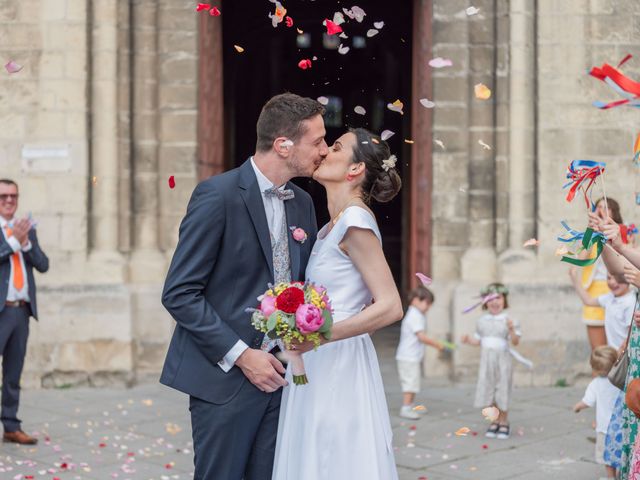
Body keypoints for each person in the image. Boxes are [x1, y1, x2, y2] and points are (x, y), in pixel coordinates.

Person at [160, 93, 327, 479]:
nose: (323, 149)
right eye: (316, 140)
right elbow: (179, 293)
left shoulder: (302, 202)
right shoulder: (216, 195)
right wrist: (242, 355)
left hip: (283, 378)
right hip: (225, 381)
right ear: (284, 145)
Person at [272, 128, 403, 479]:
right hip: (317, 356)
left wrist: (320, 336)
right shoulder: (332, 226)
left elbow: (391, 305)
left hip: (337, 358)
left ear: (355, 169)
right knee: (315, 451)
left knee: (334, 454)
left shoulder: (356, 221)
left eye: (336, 147)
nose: (325, 151)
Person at [0, 179, 49, 445]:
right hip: (0, 311)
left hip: (21, 312)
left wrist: (27, 244)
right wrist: (14, 244)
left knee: (13, 373)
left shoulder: (26, 230)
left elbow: (44, 265)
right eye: (3, 196)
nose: (9, 200)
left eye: (13, 196)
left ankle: (10, 425)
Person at [461, 283, 520, 440]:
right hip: (487, 363)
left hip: (502, 362)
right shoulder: (482, 321)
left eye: (498, 298)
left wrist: (512, 329)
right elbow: (480, 341)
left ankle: (504, 421)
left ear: (504, 300)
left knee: (502, 390)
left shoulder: (508, 320)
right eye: (490, 298)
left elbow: (515, 341)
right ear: (485, 302)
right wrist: (469, 340)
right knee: (489, 391)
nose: (494, 302)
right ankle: (494, 421)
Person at [578, 198, 627, 350]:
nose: (600, 210)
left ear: (613, 212)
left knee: (618, 347)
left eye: (605, 208)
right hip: (595, 290)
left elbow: (625, 256)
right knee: (599, 351)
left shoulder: (621, 232)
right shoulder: (591, 234)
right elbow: (581, 257)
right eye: (598, 207)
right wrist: (590, 231)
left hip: (616, 289)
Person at [395, 285, 444, 420]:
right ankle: (405, 407)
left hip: (411, 357)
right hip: (408, 357)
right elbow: (421, 337)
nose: (428, 307)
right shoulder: (415, 315)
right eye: (426, 303)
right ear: (416, 300)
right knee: (410, 383)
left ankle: (410, 405)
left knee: (413, 382)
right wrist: (436, 344)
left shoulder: (416, 314)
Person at [573, 345, 619, 479]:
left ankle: (611, 477)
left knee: (607, 456)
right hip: (619, 425)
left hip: (604, 428)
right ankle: (621, 475)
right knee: (618, 452)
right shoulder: (620, 380)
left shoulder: (596, 384)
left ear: (595, 369)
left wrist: (577, 407)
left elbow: (588, 401)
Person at [569, 268, 635, 351]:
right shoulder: (610, 297)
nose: (612, 282)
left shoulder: (630, 302)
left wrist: (620, 354)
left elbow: (631, 334)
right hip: (614, 352)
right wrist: (574, 279)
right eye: (609, 278)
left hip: (625, 354)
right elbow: (588, 301)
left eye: (617, 279)